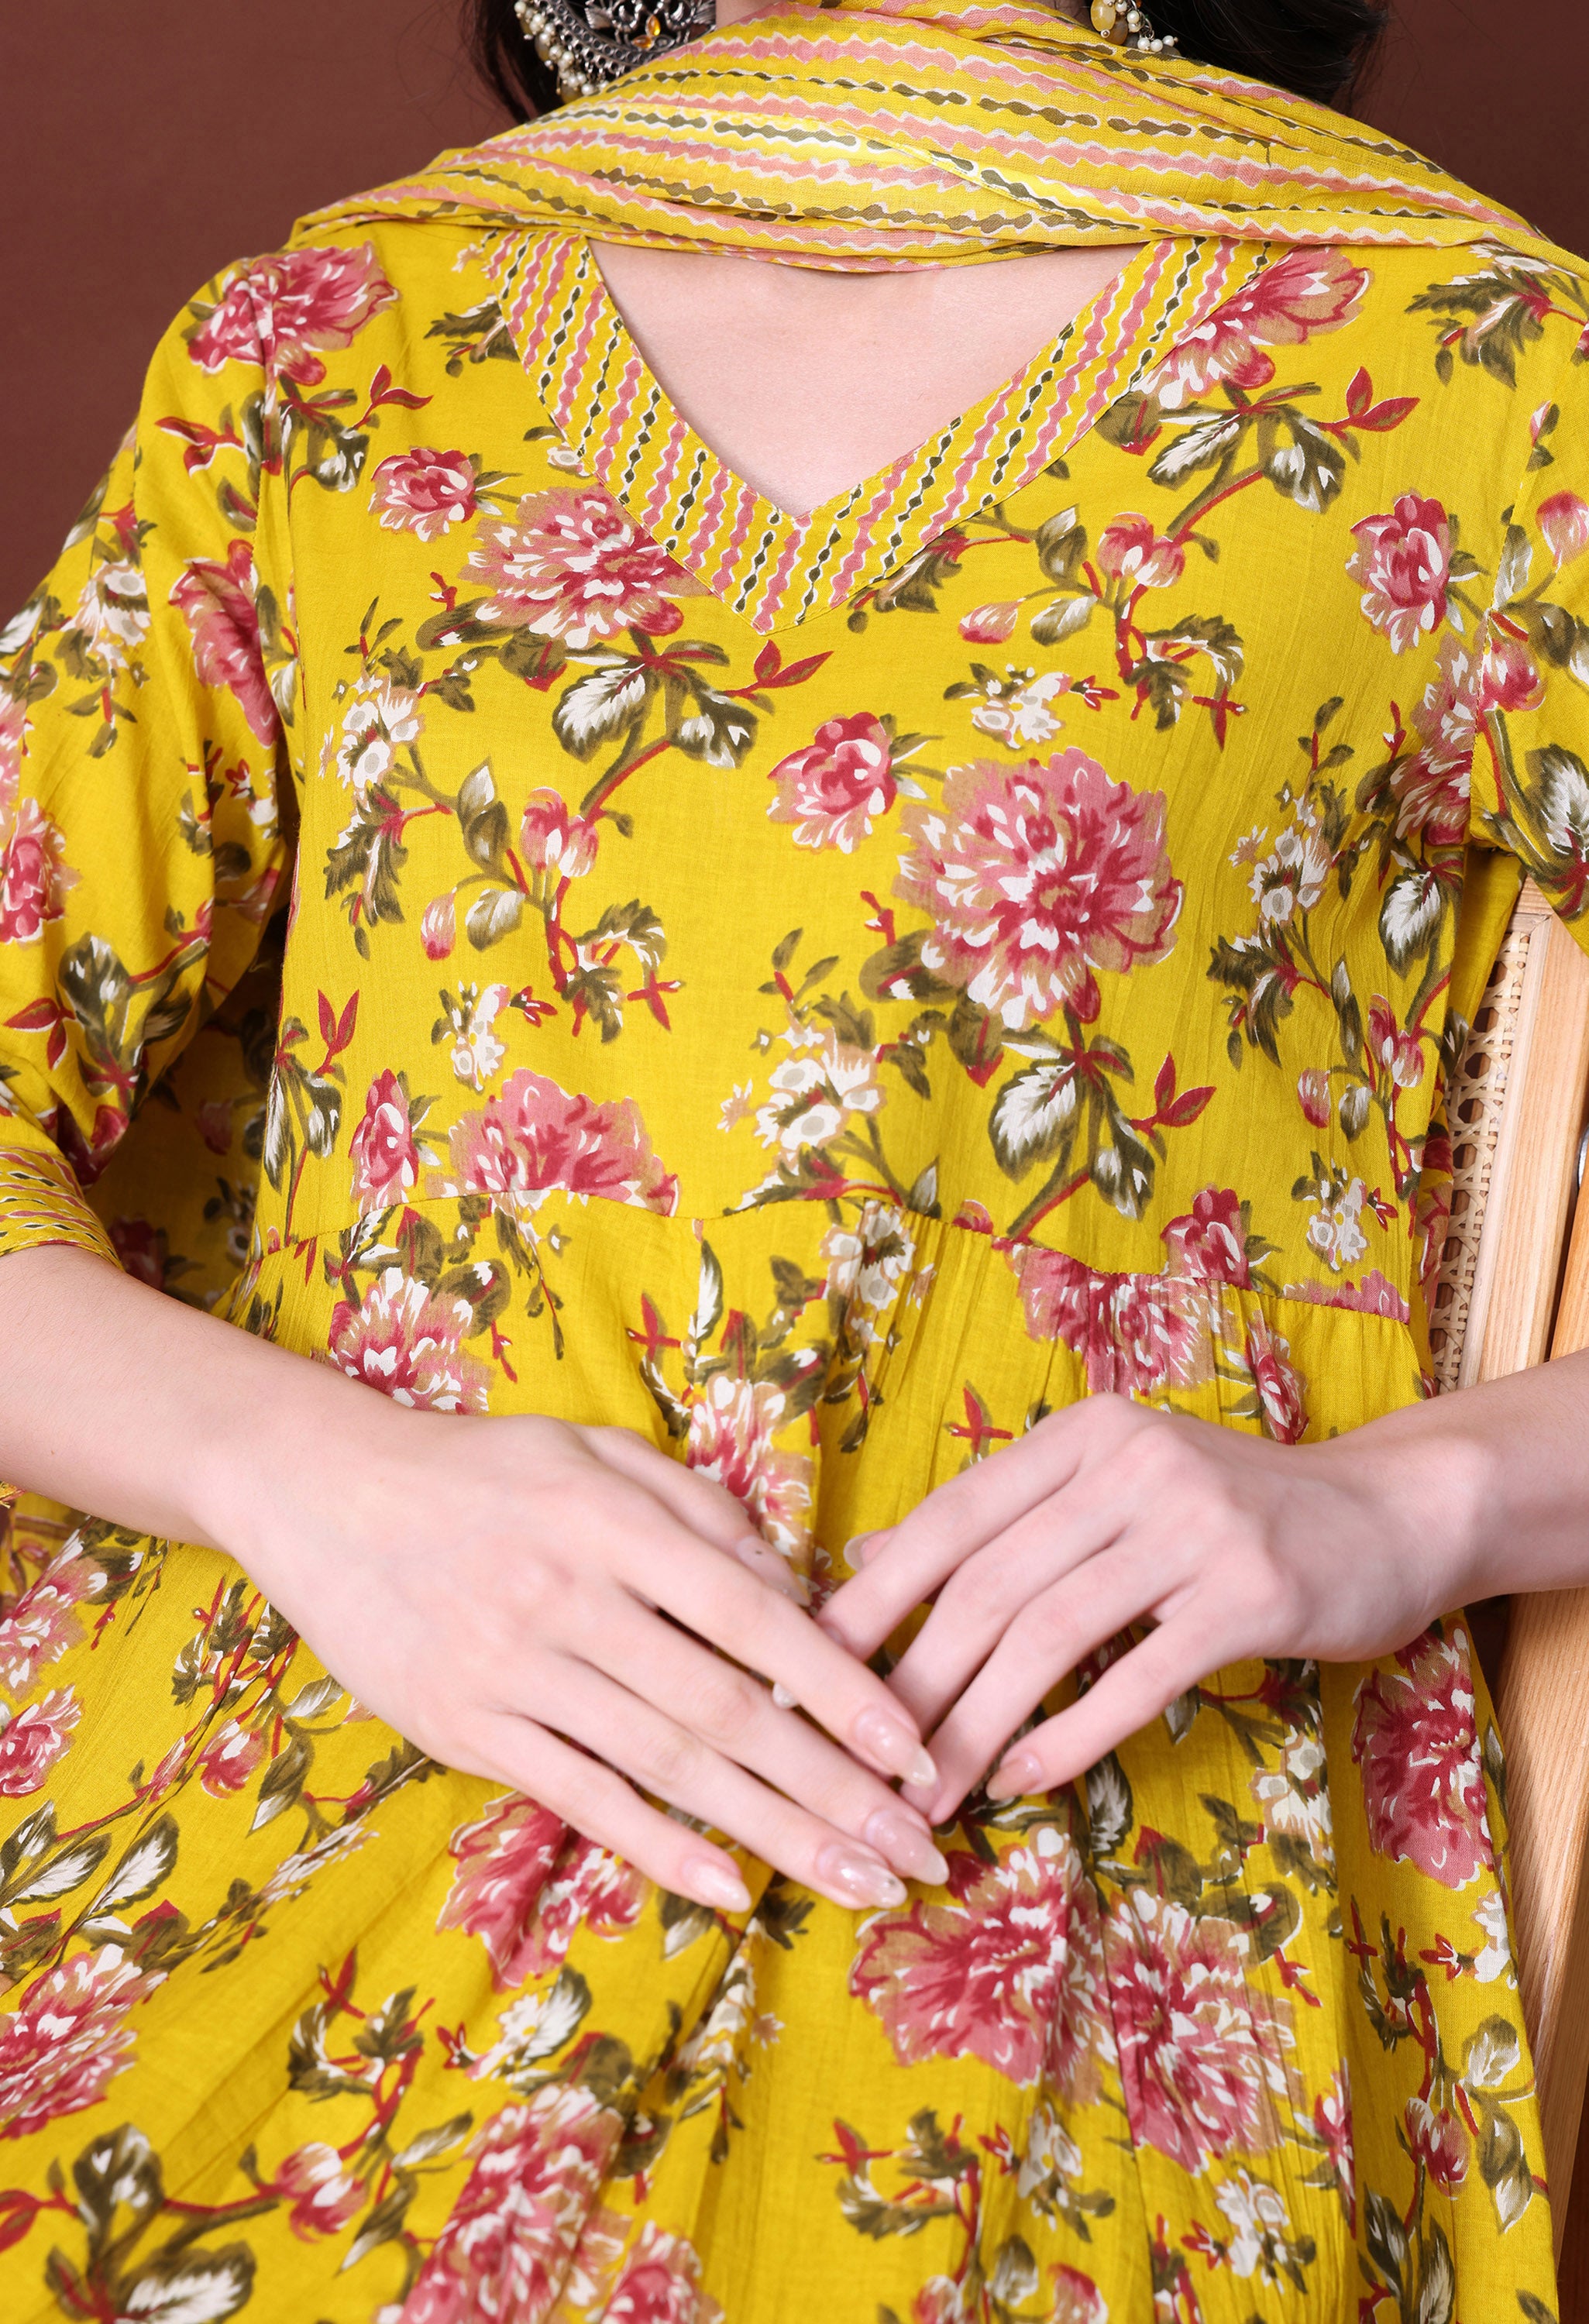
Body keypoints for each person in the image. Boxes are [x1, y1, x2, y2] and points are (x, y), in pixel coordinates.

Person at [0, 0, 1582, 2310]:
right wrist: (311, 1479)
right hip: (282, 1798)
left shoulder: (1470, 363)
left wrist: (1411, 1504)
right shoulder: (332, 343)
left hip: (1044, 1879)